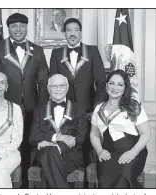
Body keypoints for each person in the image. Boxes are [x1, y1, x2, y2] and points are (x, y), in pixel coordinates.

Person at [0, 13, 49, 188]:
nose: (18, 29)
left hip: (31, 109)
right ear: (8, 28)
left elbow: (43, 82)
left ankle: (26, 186)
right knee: (8, 148)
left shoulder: (38, 50)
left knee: (28, 148)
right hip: (5, 109)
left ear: (27, 27)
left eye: (22, 25)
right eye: (14, 26)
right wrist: (1, 106)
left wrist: (42, 108)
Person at [49, 17, 106, 164]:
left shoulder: (92, 51)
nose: (72, 33)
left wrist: (97, 107)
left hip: (88, 109)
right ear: (65, 33)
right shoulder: (56, 53)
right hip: (63, 109)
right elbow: (52, 81)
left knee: (87, 146)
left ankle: (86, 182)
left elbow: (101, 82)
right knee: (66, 147)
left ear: (80, 32)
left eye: (75, 30)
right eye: (68, 30)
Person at [90, 69, 151, 188]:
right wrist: (99, 150)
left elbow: (146, 133)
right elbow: (94, 134)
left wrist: (133, 152)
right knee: (104, 178)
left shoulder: (133, 106)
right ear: (106, 85)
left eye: (120, 84)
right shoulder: (98, 108)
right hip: (108, 153)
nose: (115, 88)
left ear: (125, 87)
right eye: (111, 83)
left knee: (124, 174)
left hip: (133, 150)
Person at [29, 74, 87, 188]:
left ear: (67, 87)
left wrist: (53, 144)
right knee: (49, 153)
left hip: (70, 156)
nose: (58, 89)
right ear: (48, 88)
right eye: (54, 86)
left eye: (61, 85)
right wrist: (58, 137)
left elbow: (81, 137)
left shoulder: (79, 109)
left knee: (50, 151)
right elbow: (33, 138)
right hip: (42, 156)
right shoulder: (39, 110)